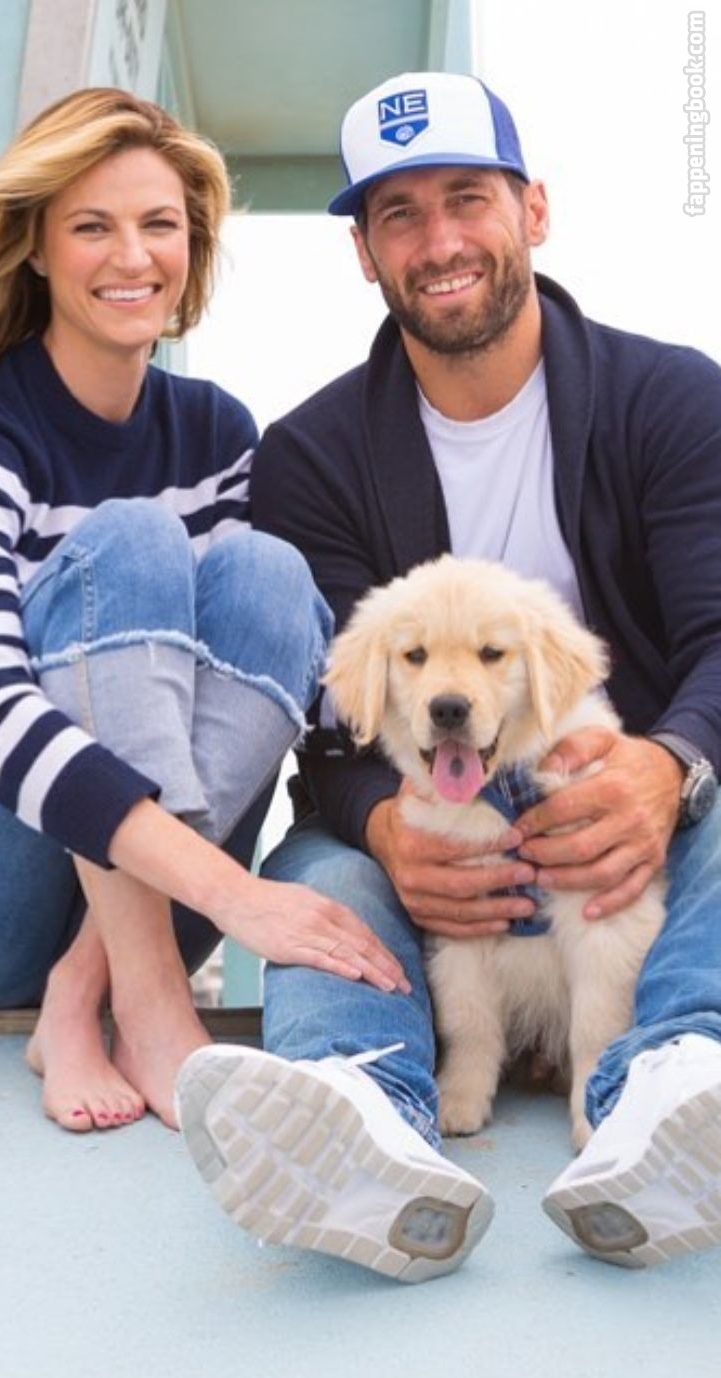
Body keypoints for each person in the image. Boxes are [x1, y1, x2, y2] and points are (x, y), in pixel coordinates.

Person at [176, 71, 721, 1280]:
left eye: (466, 198)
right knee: (321, 872)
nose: (438, 242)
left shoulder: (672, 399)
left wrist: (666, 767)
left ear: (532, 210)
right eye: (398, 215)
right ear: (365, 254)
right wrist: (383, 821)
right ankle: (359, 1109)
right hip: (425, 821)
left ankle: (670, 1081)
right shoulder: (312, 455)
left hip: (640, 816)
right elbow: (328, 732)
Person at [0, 87, 409, 1136]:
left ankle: (84, 987)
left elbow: (283, 679)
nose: (132, 256)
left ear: (191, 248)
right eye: (91, 227)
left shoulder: (215, 432)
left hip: (112, 906)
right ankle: (151, 1003)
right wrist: (239, 899)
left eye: (159, 225)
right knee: (131, 543)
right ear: (35, 248)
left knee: (268, 575)